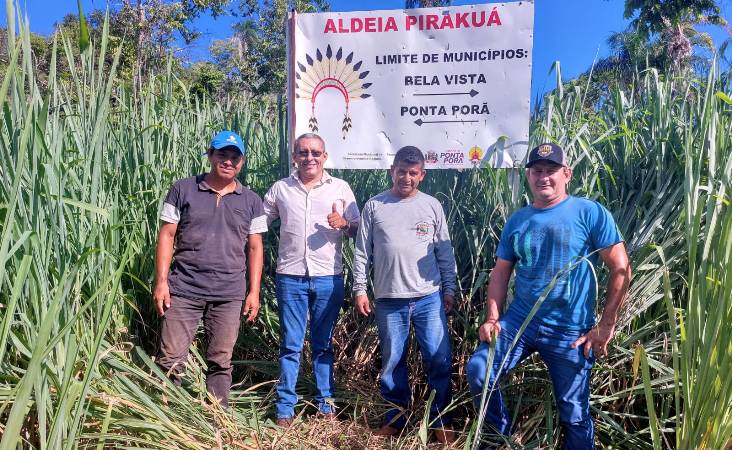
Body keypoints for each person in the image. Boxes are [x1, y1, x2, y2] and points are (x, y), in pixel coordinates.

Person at [466, 143, 631, 449]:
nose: (544, 177)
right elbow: (500, 273)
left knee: (575, 413)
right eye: (537, 171)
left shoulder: (589, 212)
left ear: (566, 174)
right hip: (520, 321)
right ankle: (500, 437)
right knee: (479, 370)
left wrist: (606, 326)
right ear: (529, 175)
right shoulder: (518, 220)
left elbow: (620, 267)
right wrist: (492, 317)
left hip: (570, 330)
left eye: (551, 171)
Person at [153, 130, 266, 408]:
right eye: (222, 155)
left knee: (221, 359)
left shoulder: (251, 200)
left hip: (229, 293)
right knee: (170, 358)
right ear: (210, 155)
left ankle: (218, 419)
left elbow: (255, 248)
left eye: (234, 157)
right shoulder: (183, 189)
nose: (228, 161)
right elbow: (166, 235)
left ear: (242, 162)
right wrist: (162, 281)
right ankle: (166, 417)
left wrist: (254, 292)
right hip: (183, 289)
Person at [353, 145, 457, 444]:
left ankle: (441, 422)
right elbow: (362, 252)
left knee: (438, 360)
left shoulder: (432, 206)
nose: (406, 177)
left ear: (422, 175)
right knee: (392, 363)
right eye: (401, 171)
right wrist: (360, 289)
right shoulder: (374, 206)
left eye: (413, 173)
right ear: (392, 171)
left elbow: (444, 252)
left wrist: (449, 288)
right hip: (389, 300)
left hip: (428, 298)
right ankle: (395, 421)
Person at [263, 133, 360, 426]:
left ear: (325, 156)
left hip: (328, 278)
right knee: (291, 344)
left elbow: (358, 230)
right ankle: (284, 409)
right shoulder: (281, 189)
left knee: (323, 345)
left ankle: (325, 405)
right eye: (303, 152)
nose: (310, 158)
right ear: (295, 156)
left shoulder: (340, 188)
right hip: (290, 277)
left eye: (315, 153)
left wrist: (344, 223)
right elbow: (258, 223)